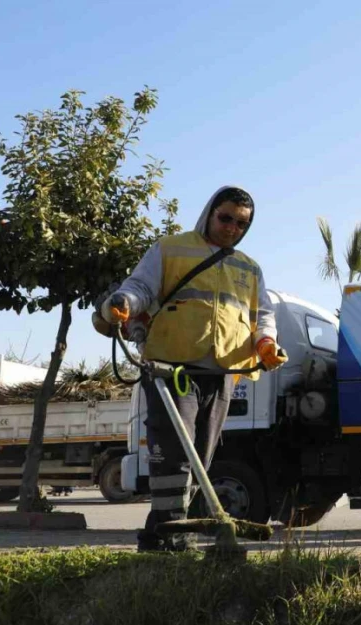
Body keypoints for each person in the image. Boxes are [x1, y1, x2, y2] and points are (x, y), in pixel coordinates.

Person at [101, 185, 287, 552]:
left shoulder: (248, 268)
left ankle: (163, 532)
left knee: (202, 454)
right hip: (171, 368)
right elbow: (141, 287)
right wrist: (123, 301)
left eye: (241, 223)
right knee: (173, 451)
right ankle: (170, 531)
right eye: (226, 218)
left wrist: (266, 342)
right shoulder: (172, 248)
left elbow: (262, 315)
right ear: (209, 213)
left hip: (221, 372)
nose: (232, 227)